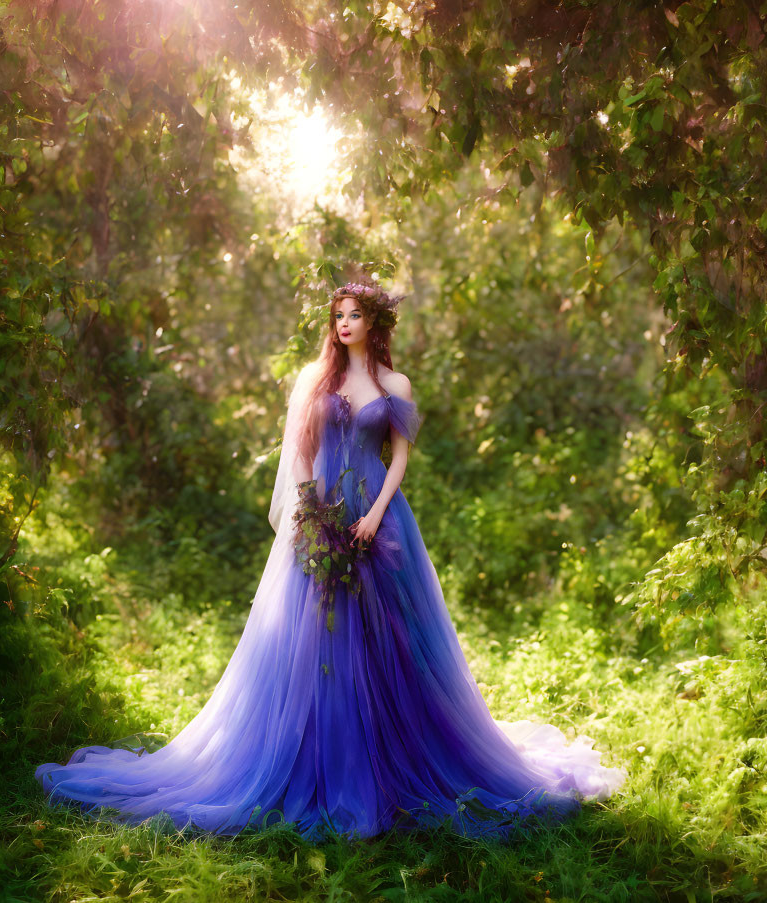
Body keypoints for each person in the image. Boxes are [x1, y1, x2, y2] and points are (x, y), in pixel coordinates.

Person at [35, 281, 626, 840]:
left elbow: (398, 457)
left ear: (375, 322)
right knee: (312, 640)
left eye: (355, 315)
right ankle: (313, 762)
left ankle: (395, 761)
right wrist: (309, 513)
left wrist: (374, 515)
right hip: (317, 518)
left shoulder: (395, 386)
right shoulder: (312, 380)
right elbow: (298, 451)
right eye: (338, 316)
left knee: (390, 641)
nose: (344, 325)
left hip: (379, 520)